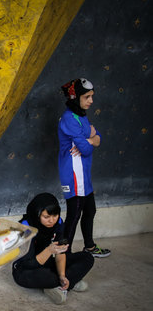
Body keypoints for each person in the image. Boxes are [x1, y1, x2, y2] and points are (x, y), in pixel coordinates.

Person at [58, 78, 110, 257]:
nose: (91, 101)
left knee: (90, 210)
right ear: (75, 97)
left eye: (92, 96)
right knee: (74, 215)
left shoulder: (81, 116)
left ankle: (89, 247)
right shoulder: (69, 119)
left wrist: (91, 139)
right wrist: (91, 139)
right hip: (73, 173)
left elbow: (97, 137)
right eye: (87, 96)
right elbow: (86, 149)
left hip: (83, 174)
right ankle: (64, 256)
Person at [12, 193, 94, 304]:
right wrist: (49, 250)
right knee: (47, 276)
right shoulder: (25, 228)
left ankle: (63, 283)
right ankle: (69, 282)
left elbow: (61, 253)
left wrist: (62, 275)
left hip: (47, 262)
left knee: (87, 257)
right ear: (37, 214)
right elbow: (28, 264)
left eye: (55, 216)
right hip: (25, 269)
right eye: (46, 217)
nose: (52, 220)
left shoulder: (58, 223)